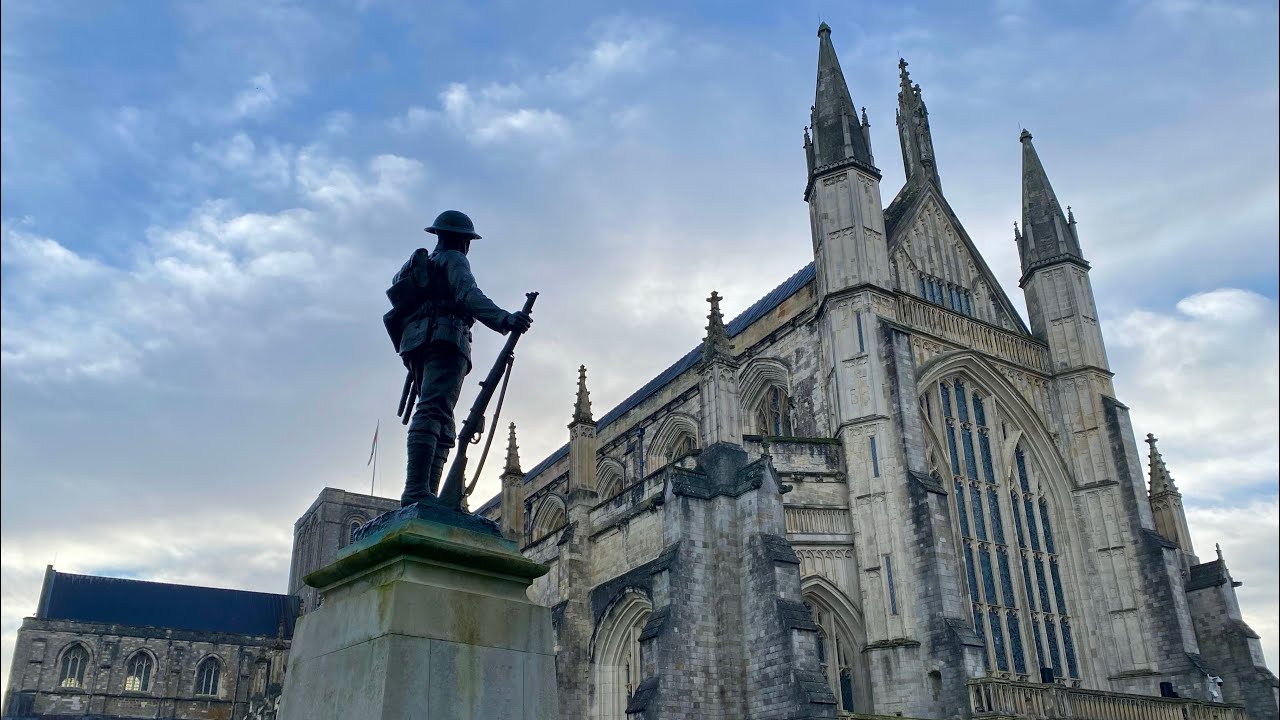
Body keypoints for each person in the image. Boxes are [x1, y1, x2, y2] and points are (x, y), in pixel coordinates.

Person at [385, 210, 532, 507]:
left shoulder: (420, 266)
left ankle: (427, 493)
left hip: (416, 343)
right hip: (446, 337)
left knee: (439, 416)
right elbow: (469, 295)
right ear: (465, 241)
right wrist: (505, 319)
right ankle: (417, 491)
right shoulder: (454, 259)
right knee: (434, 411)